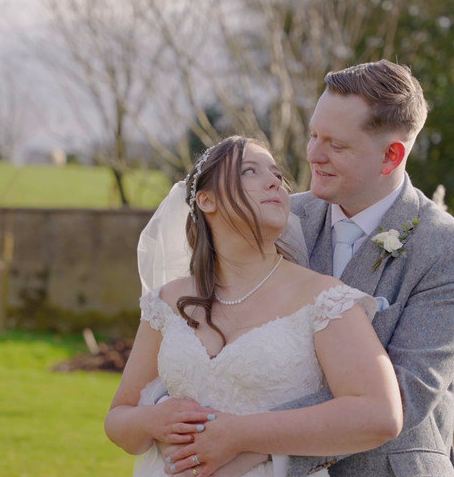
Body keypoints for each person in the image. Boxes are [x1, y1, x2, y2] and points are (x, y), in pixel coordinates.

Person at [168, 60, 454, 476]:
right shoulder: (278, 218)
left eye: (336, 146)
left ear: (391, 155)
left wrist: (246, 442)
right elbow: (212, 330)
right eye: (314, 135)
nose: (313, 155)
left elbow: (404, 397)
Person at [104, 136, 404, 477]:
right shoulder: (167, 302)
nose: (274, 181)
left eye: (276, 174)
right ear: (207, 200)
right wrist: (151, 420)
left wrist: (239, 436)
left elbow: (380, 415)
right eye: (250, 170)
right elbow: (118, 419)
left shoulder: (325, 299)